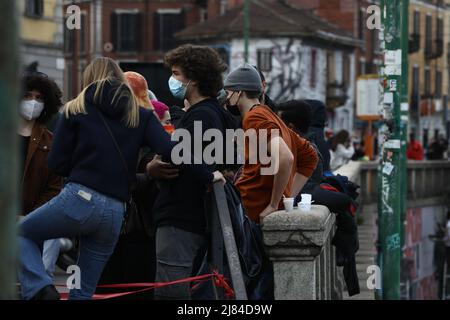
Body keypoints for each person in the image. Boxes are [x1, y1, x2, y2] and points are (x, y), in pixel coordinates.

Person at [18, 57, 224, 300]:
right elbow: (173, 149)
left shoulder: (74, 109)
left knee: (20, 233)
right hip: (115, 212)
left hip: (79, 199)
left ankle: (41, 289)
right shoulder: (141, 115)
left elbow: (56, 164)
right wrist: (209, 174)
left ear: (89, 79)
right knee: (84, 292)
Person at [149, 45, 237, 300]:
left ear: (194, 79)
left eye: (176, 74)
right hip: (199, 218)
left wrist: (154, 165)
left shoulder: (200, 116)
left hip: (180, 217)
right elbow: (230, 159)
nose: (172, 80)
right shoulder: (217, 114)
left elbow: (179, 153)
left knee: (171, 292)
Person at [223, 64, 318, 224]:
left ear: (239, 92)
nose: (226, 99)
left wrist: (274, 204)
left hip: (252, 209)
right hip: (258, 208)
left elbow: (286, 157)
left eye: (228, 93)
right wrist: (287, 197)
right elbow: (310, 157)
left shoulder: (254, 118)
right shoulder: (271, 115)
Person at [19, 71, 64, 279]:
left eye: (39, 98)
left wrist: (30, 218)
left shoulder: (51, 142)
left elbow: (54, 187)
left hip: (30, 226)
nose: (33, 102)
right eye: (27, 96)